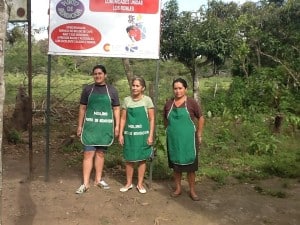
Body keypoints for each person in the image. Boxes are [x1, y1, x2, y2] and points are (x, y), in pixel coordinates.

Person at [75, 64, 120, 194]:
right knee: (88, 153)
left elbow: (116, 109)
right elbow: (82, 108)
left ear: (105, 75)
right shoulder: (88, 90)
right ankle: (85, 183)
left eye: (100, 73)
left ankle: (98, 180)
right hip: (90, 127)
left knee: (100, 153)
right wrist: (79, 125)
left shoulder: (112, 90)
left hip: (104, 127)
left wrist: (117, 126)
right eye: (95, 74)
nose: (97, 76)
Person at [163, 78, 204, 201]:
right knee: (176, 166)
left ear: (185, 89)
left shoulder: (191, 103)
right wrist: (169, 131)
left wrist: (199, 134)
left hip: (189, 140)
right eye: (175, 88)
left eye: (180, 88)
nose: (177, 91)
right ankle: (178, 188)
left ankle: (192, 190)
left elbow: (201, 118)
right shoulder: (168, 104)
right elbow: (165, 120)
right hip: (174, 141)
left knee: (191, 167)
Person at [118, 77, 155, 194]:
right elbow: (123, 118)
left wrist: (150, 135)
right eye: (133, 85)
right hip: (129, 135)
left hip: (143, 135)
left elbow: (151, 119)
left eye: (137, 86)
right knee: (129, 159)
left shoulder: (147, 100)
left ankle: (139, 184)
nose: (134, 88)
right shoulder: (126, 100)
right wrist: (120, 134)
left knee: (142, 159)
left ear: (143, 88)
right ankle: (128, 183)